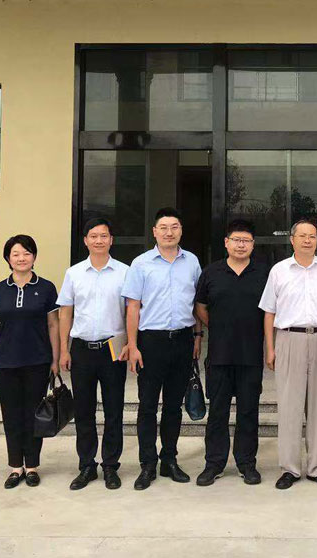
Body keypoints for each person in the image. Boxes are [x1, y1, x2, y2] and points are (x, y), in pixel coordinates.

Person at [123, 207, 203, 491]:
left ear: (181, 230)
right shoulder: (141, 264)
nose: (169, 232)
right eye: (164, 228)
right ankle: (147, 464)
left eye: (174, 227)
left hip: (182, 340)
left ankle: (169, 459)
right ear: (154, 232)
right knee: (147, 406)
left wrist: (197, 336)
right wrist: (133, 345)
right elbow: (132, 307)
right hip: (150, 342)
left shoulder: (191, 262)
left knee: (173, 406)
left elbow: (196, 303)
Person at [260, 219, 317, 490]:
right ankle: (290, 468)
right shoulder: (279, 271)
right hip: (288, 339)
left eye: (312, 236)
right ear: (292, 239)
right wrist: (270, 348)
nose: (307, 240)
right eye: (302, 236)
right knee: (289, 407)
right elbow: (269, 312)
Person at [194, 220, 269, 486]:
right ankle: (214, 463)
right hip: (219, 355)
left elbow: (270, 311)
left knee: (248, 412)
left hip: (250, 355)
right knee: (218, 412)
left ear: (253, 245)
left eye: (246, 241)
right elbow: (200, 306)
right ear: (226, 243)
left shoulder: (263, 273)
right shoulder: (211, 272)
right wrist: (217, 326)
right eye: (236, 240)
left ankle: (246, 463)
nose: (241, 245)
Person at [0, 235, 60, 489]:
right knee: (12, 416)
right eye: (15, 254)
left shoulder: (46, 288)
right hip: (7, 363)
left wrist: (55, 359)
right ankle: (16, 466)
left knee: (34, 415)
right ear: (8, 258)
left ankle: (32, 465)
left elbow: (53, 325)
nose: (21, 258)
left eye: (26, 253)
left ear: (34, 257)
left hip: (38, 361)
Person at [57, 218, 129, 491]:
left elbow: (132, 311)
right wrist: (64, 349)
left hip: (114, 348)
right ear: (86, 240)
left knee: (114, 410)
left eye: (104, 236)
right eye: (94, 236)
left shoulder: (125, 272)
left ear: (111, 240)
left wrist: (130, 344)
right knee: (84, 411)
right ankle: (87, 465)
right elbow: (66, 312)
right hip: (82, 349)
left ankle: (110, 465)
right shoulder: (74, 273)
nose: (99, 240)